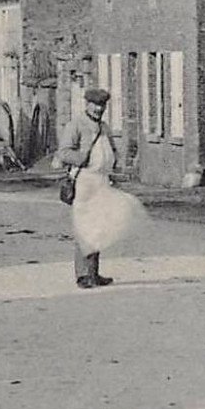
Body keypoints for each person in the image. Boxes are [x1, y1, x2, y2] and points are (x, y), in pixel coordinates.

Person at [54, 88, 147, 289]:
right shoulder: (76, 125)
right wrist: (82, 157)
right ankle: (82, 275)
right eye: (95, 105)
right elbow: (63, 152)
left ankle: (93, 273)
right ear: (86, 104)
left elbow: (110, 150)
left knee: (98, 227)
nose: (98, 109)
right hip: (85, 180)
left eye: (102, 105)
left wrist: (113, 166)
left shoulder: (104, 127)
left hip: (102, 181)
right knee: (83, 226)